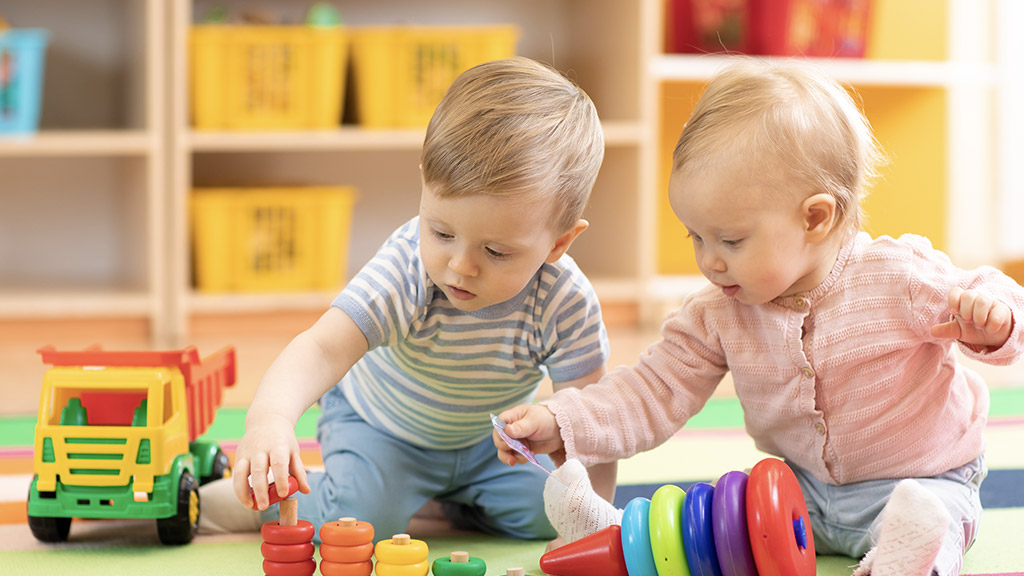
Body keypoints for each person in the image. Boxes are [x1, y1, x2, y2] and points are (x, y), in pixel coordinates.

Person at [495, 58, 1024, 576]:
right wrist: (562, 420)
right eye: (696, 236)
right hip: (801, 491)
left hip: (923, 479)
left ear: (815, 218)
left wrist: (994, 318)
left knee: (938, 521)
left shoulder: (898, 277)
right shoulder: (718, 310)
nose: (709, 260)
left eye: (730, 240)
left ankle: (907, 559)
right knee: (723, 524)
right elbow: (651, 390)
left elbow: (991, 293)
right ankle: (613, 537)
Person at [199, 56, 617, 542]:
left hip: (489, 444)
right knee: (360, 523)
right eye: (440, 231)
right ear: (424, 185)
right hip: (381, 429)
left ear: (559, 243)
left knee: (552, 511)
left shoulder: (565, 301)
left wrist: (593, 517)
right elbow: (320, 349)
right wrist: (269, 420)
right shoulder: (406, 271)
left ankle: (453, 502)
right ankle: (262, 504)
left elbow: (589, 420)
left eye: (497, 251)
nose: (461, 265)